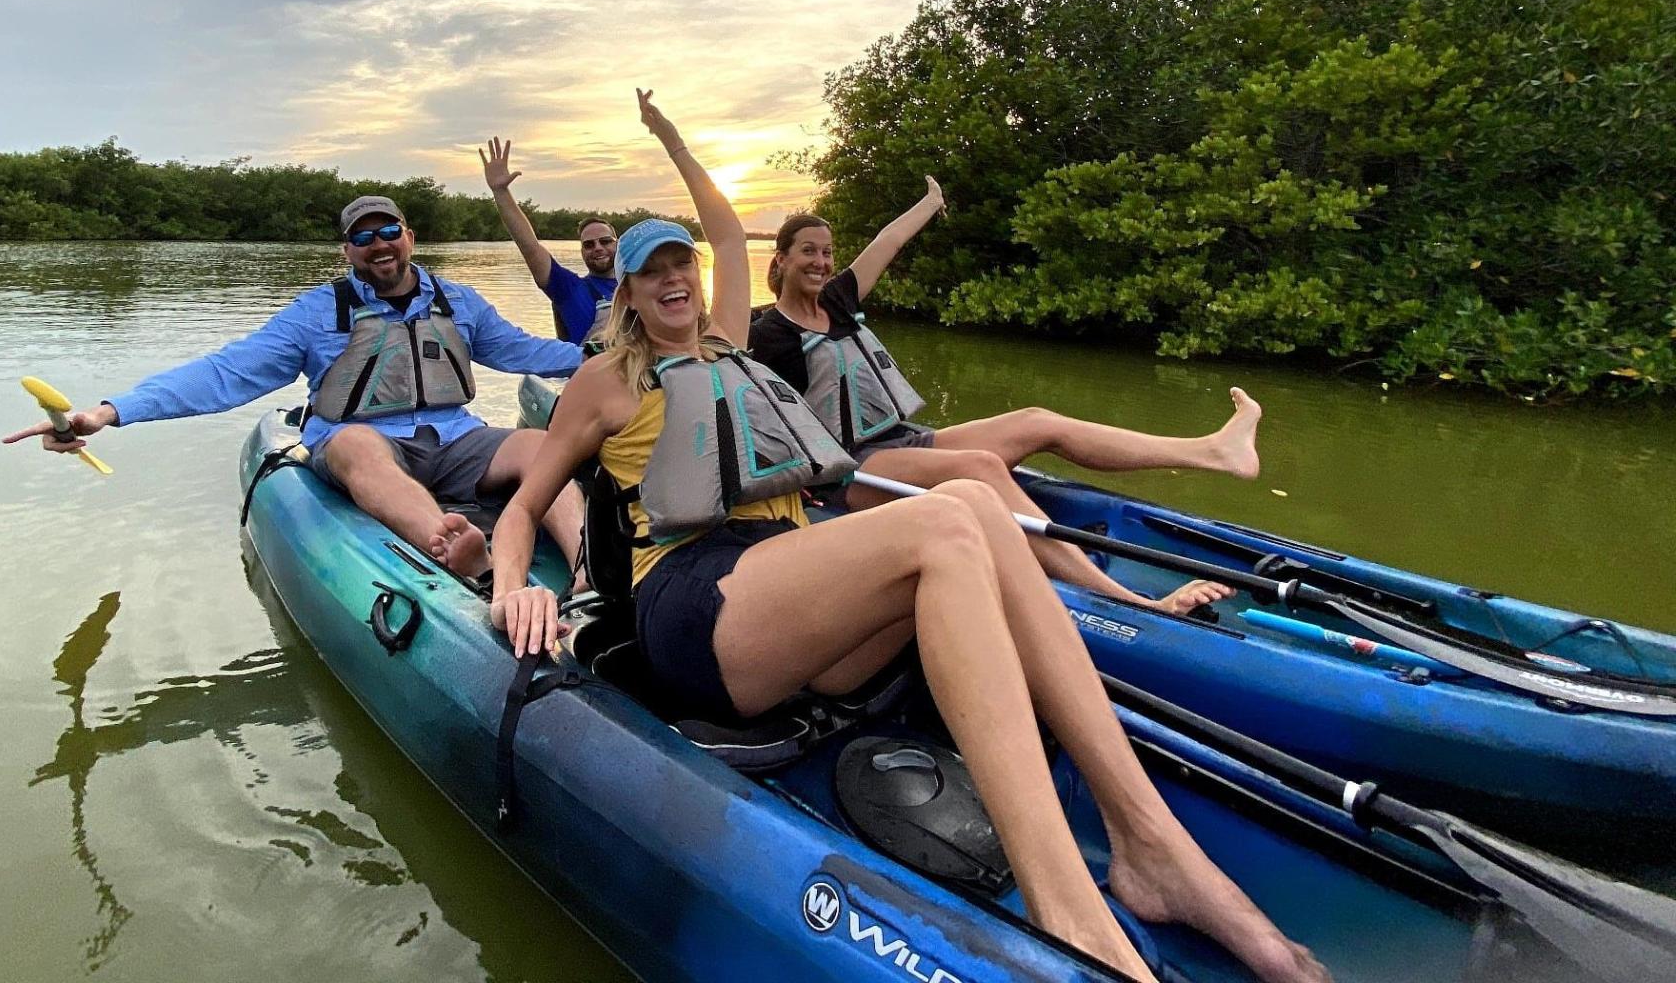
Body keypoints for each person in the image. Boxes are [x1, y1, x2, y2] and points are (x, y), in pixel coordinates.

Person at [486, 92, 1325, 983]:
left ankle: (1152, 844)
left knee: (972, 501)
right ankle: (1069, 911)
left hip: (791, 592)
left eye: (677, 265)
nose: (671, 281)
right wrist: (515, 586)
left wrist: (672, 139)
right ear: (628, 292)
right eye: (650, 273)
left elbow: (729, 234)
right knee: (944, 520)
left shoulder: (730, 343)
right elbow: (518, 507)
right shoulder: (604, 383)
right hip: (697, 607)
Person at [2, 195, 588, 580]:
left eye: (388, 230)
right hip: (363, 444)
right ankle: (456, 550)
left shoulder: (458, 301)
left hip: (456, 439)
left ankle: (585, 572)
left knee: (540, 444)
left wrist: (606, 359)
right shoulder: (317, 313)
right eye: (364, 238)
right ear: (347, 251)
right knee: (357, 445)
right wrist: (109, 413)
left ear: (409, 236)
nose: (379, 243)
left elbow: (528, 352)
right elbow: (226, 373)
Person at [748, 187, 1266, 615]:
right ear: (783, 259)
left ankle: (1213, 451)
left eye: (827, 251)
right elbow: (759, 423)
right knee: (979, 465)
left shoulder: (839, 300)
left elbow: (890, 239)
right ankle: (1133, 603)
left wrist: (931, 200)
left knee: (1037, 422)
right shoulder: (769, 335)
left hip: (900, 442)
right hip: (851, 473)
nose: (821, 261)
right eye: (808, 251)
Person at [481, 137, 619, 344]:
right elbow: (531, 248)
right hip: (595, 373)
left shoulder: (643, 286)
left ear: (618, 243)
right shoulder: (570, 289)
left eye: (605, 241)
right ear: (581, 251)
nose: (598, 248)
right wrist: (501, 192)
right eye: (589, 244)